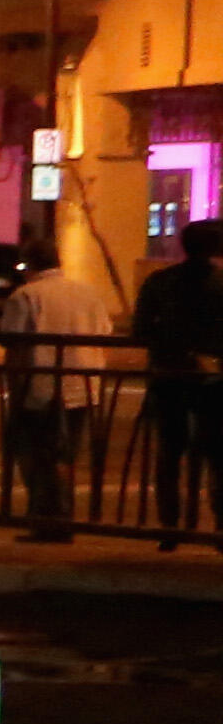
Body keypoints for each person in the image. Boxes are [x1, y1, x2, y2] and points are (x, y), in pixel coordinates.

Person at [0, 236, 126, 540]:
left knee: (36, 453)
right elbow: (104, 332)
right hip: (83, 383)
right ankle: (63, 516)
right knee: (66, 453)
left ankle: (47, 518)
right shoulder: (87, 293)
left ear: (29, 265)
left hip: (39, 385)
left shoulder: (26, 295)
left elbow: (13, 340)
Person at [138, 218, 223, 546]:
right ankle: (218, 527)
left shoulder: (160, 282)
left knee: (170, 453)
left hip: (169, 376)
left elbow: (141, 329)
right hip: (215, 382)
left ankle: (170, 526)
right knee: (217, 456)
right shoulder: (218, 285)